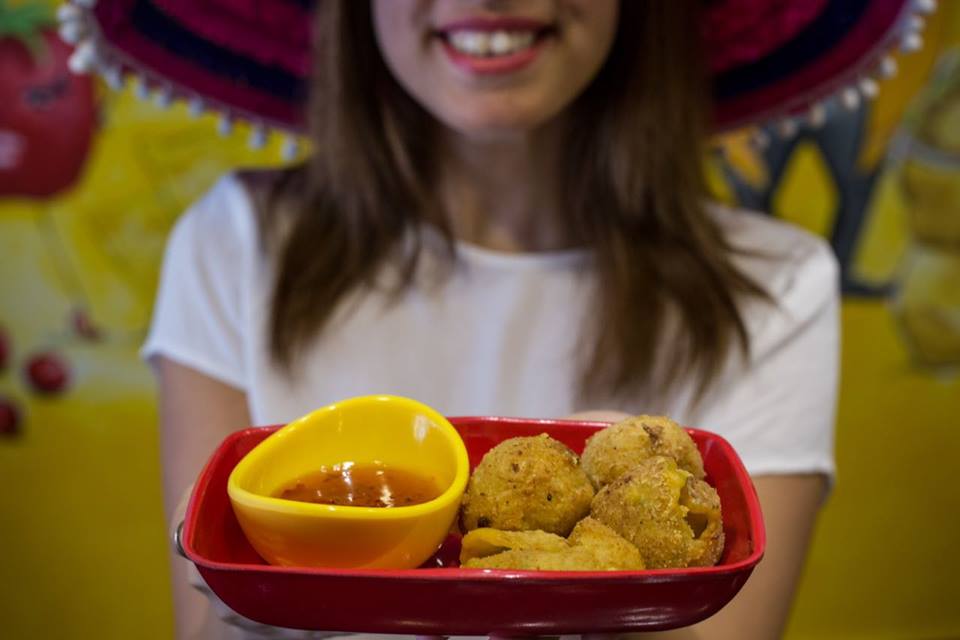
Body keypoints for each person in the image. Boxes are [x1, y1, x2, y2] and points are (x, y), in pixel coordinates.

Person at [133, 0, 877, 637]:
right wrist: (246, 604)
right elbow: (204, 625)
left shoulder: (777, 287)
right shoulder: (235, 243)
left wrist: (618, 608)